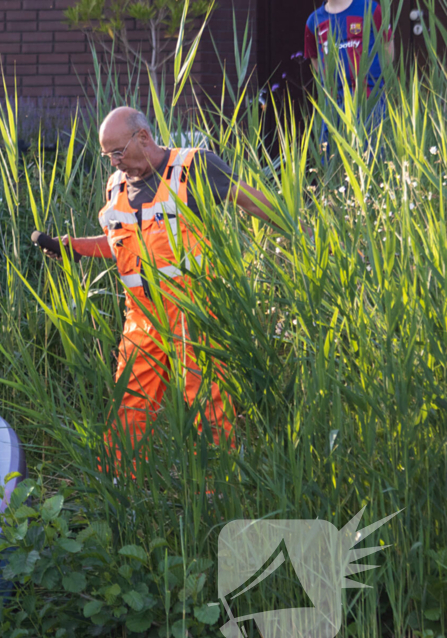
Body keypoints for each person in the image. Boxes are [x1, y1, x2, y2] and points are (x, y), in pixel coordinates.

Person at [46, 108, 276, 473]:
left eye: (119, 152)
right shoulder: (116, 187)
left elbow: (248, 199)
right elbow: (121, 244)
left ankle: (224, 486)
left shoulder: (192, 167)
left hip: (193, 312)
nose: (117, 163)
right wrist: (73, 247)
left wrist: (302, 233)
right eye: (109, 156)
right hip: (140, 320)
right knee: (129, 407)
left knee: (208, 402)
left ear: (144, 137)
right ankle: (122, 488)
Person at [305, 0, 394, 148]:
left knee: (372, 157)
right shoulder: (313, 21)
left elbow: (387, 44)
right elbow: (315, 58)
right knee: (331, 158)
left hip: (370, 100)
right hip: (333, 104)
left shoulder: (370, 8)